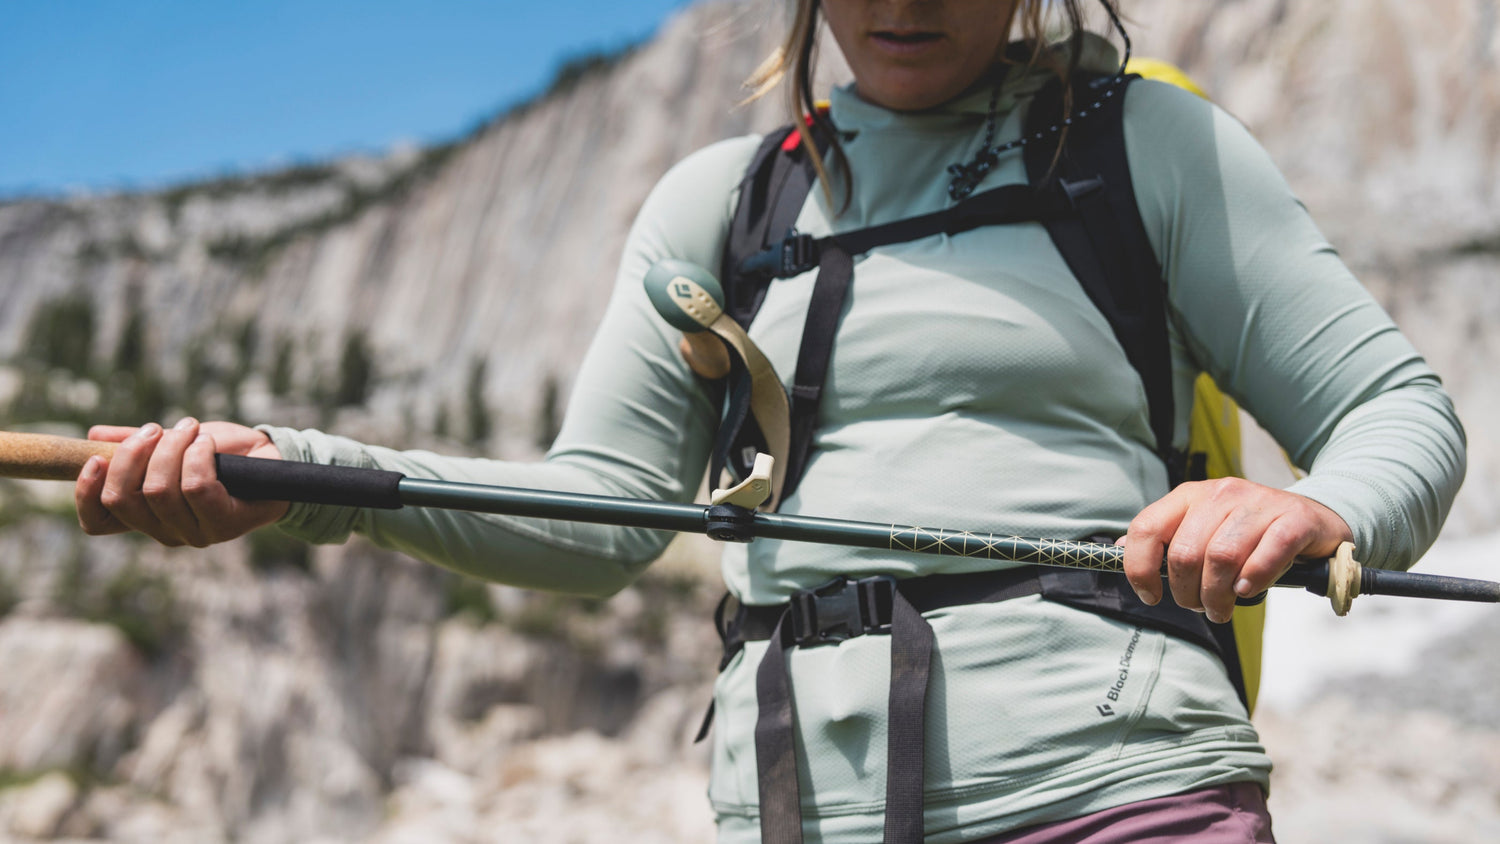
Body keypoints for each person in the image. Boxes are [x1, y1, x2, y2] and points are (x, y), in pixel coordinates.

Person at [74, 1, 1465, 842]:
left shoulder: (1147, 147)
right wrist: (300, 479)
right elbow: (597, 513)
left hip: (1119, 794)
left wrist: (1318, 507)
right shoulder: (720, 207)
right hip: (795, 812)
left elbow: (1395, 410)